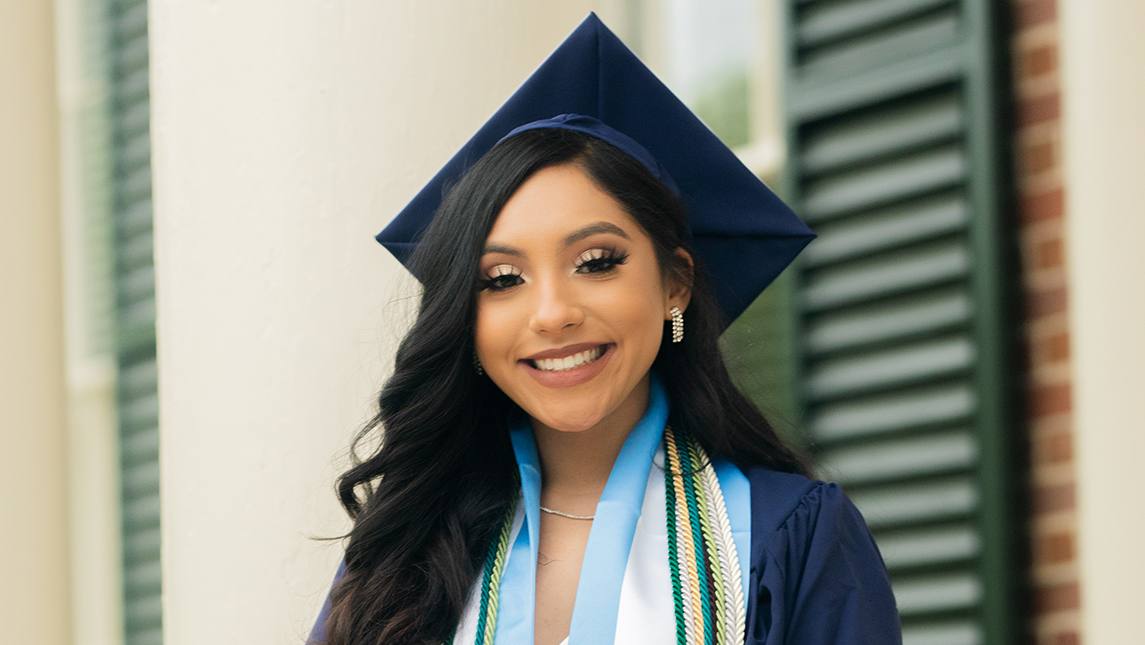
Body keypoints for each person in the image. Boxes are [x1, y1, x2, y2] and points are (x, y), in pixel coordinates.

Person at [309, 14, 900, 645]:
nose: (552, 312)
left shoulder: (789, 536)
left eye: (596, 262)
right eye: (502, 279)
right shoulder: (403, 557)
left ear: (675, 283)